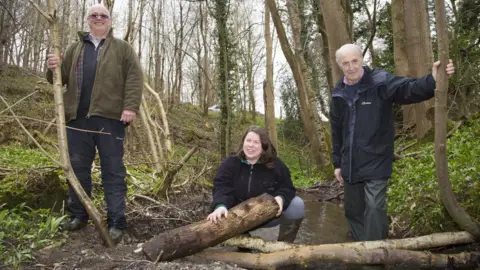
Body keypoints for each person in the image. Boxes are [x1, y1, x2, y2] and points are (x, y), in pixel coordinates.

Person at [330, 44, 455, 241]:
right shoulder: (338, 93)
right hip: (350, 163)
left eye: (355, 61)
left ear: (361, 60)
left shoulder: (380, 82)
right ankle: (360, 249)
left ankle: (376, 252)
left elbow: (409, 89)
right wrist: (337, 163)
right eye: (345, 63)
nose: (351, 66)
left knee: (374, 207)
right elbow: (336, 131)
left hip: (377, 159)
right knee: (353, 211)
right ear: (339, 66)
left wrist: (432, 79)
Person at [46, 3, 143, 243]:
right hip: (77, 120)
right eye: (94, 15)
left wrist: (130, 106)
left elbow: (134, 77)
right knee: (78, 170)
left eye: (104, 15)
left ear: (110, 21)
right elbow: (56, 80)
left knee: (113, 171)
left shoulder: (123, 49)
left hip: (111, 120)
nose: (99, 18)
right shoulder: (73, 48)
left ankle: (117, 222)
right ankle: (79, 216)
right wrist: (52, 67)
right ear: (88, 20)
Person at [207, 126, 305, 243]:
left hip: (267, 216)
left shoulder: (276, 164)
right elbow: (221, 187)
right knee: (218, 210)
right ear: (243, 142)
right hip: (238, 217)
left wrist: (281, 198)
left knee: (297, 204)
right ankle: (242, 241)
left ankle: (285, 245)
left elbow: (288, 187)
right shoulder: (230, 163)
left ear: (263, 146)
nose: (250, 145)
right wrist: (220, 205)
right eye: (248, 141)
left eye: (256, 142)